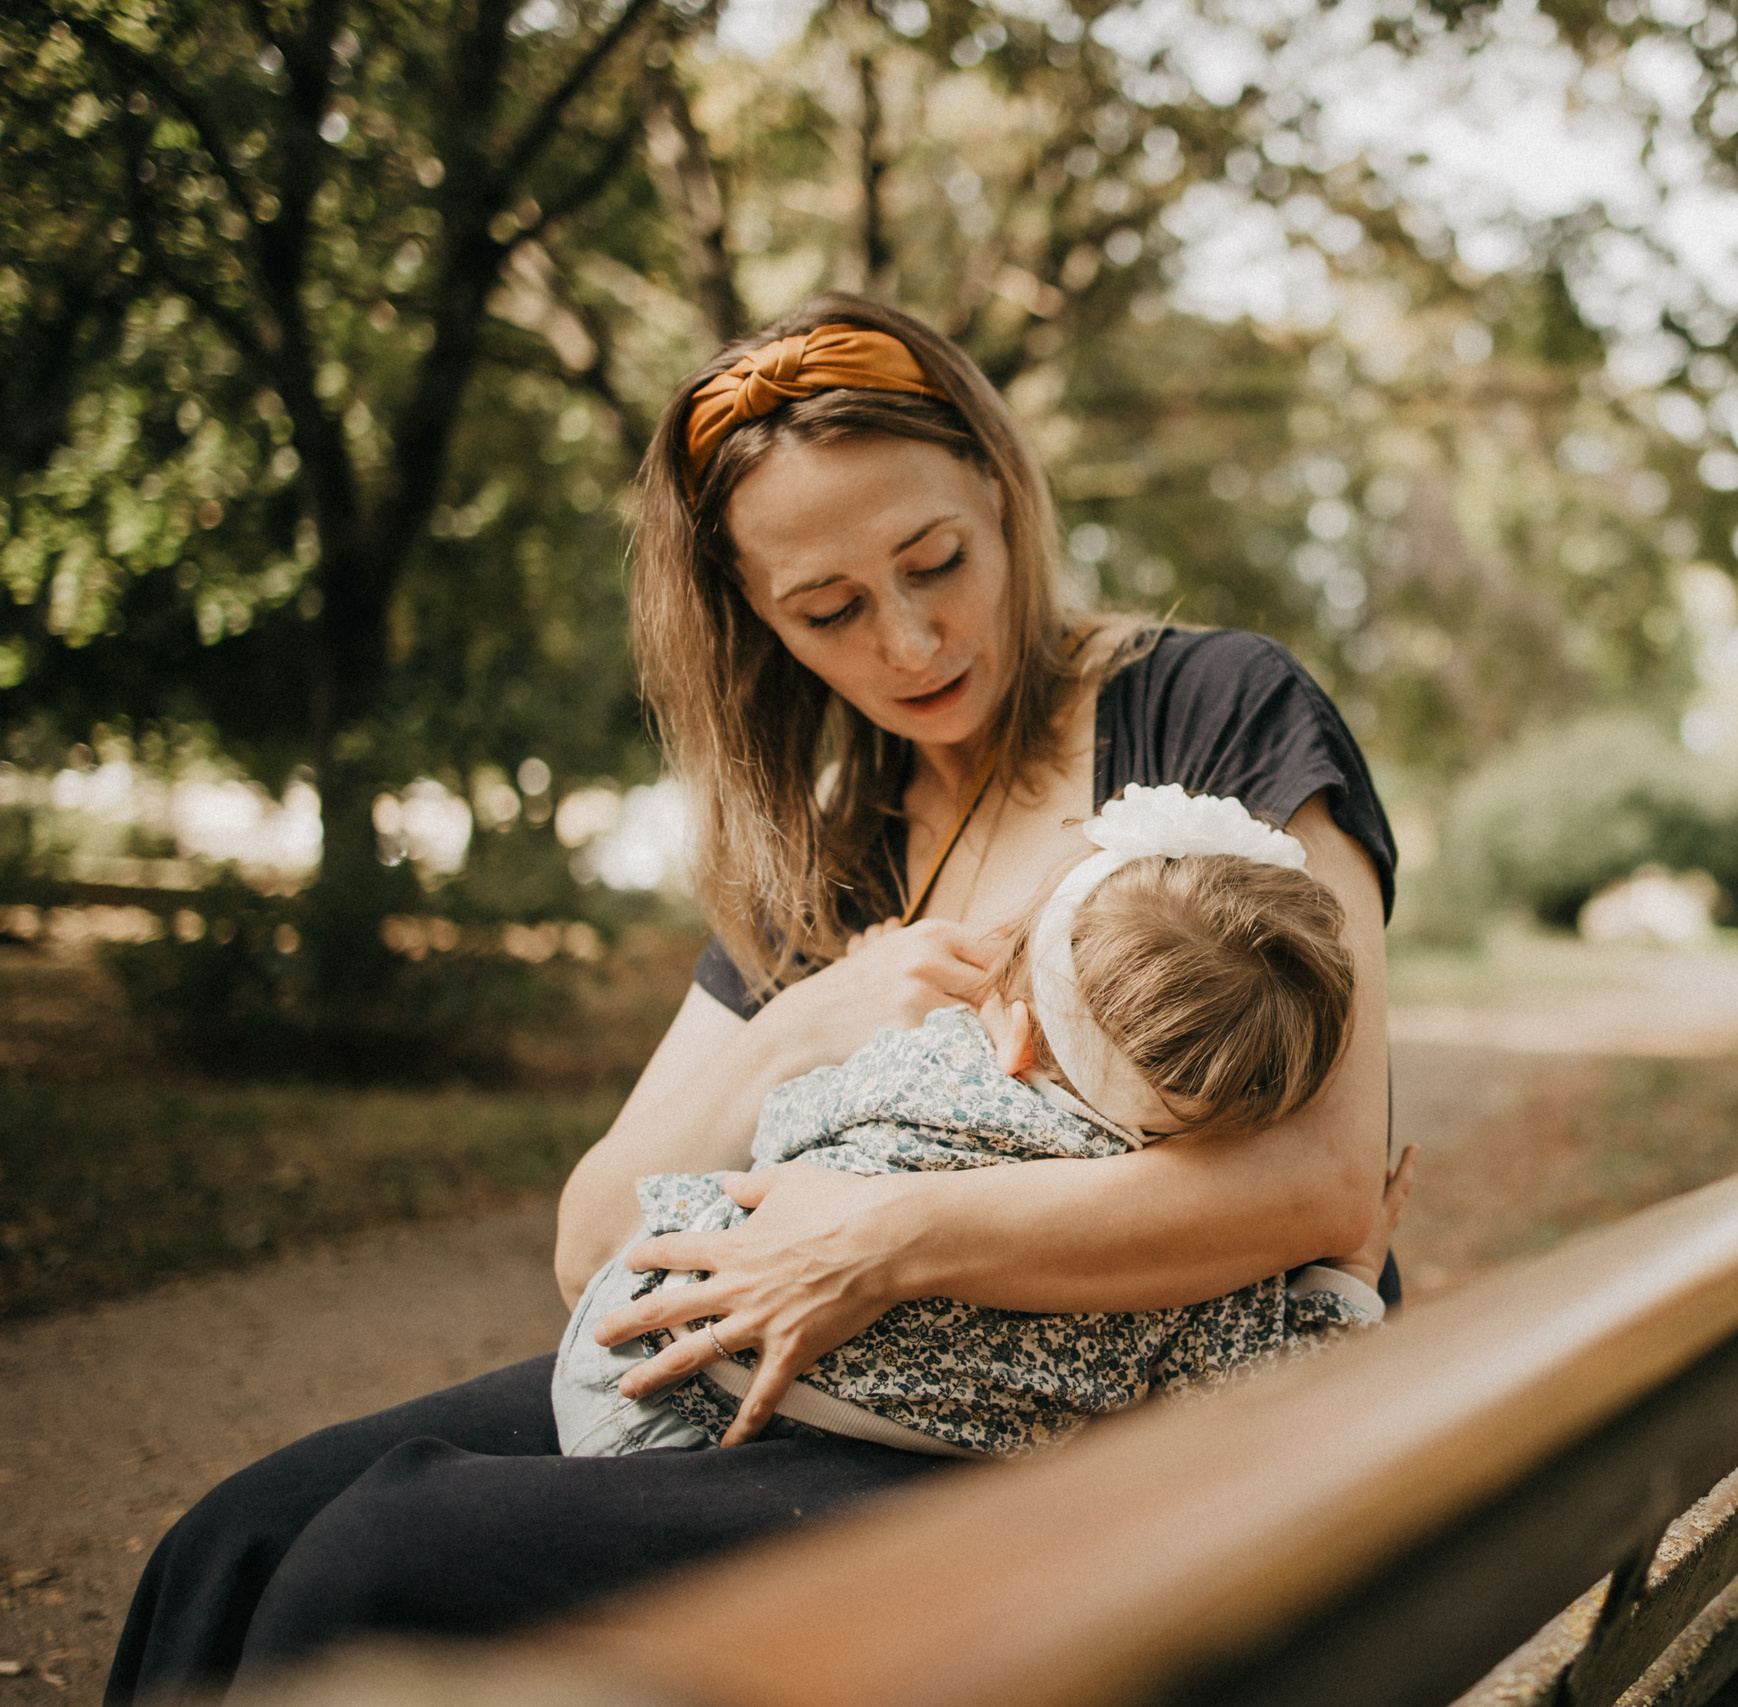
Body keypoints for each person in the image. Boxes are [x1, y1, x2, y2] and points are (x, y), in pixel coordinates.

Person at [107, 292, 1404, 1703]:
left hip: (1078, 1424)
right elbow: (592, 1237)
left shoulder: (1211, 711)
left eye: (935, 561)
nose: (908, 643)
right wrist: (810, 1016)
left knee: (387, 1557)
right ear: (755, 619)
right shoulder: (832, 837)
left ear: (997, 482)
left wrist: (886, 1236)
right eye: (830, 610)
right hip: (801, 1390)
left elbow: (1320, 1181)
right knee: (231, 1541)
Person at [553, 788, 1415, 1460]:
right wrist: (1346, 1279)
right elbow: (1261, 1402)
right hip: (714, 1403)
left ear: (1018, 1026)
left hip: (642, 1335)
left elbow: (785, 1130)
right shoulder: (1186, 1272)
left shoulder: (924, 1062)